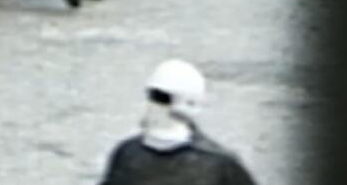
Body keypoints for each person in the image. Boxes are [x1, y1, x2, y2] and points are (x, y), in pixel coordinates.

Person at [99, 59, 258, 185]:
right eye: (152, 96)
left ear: (187, 104)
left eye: (161, 98)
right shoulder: (128, 153)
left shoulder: (219, 164)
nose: (154, 105)